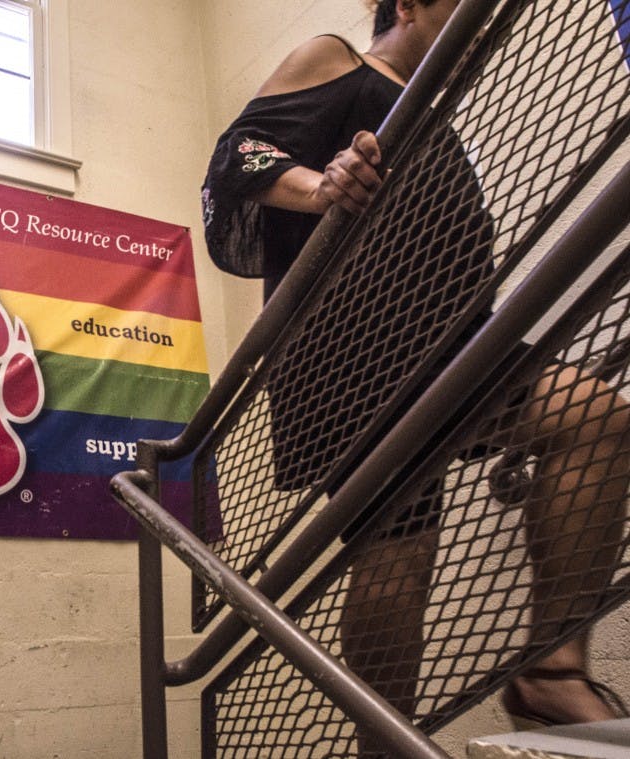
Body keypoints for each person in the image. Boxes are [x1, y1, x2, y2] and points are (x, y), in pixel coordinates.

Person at [201, 0, 628, 744]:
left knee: (594, 414)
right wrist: (321, 186)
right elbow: (239, 155)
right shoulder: (338, 59)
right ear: (407, 6)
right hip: (353, 348)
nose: (480, 28)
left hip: (453, 344)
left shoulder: (430, 107)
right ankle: (384, 740)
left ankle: (552, 674)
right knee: (403, 541)